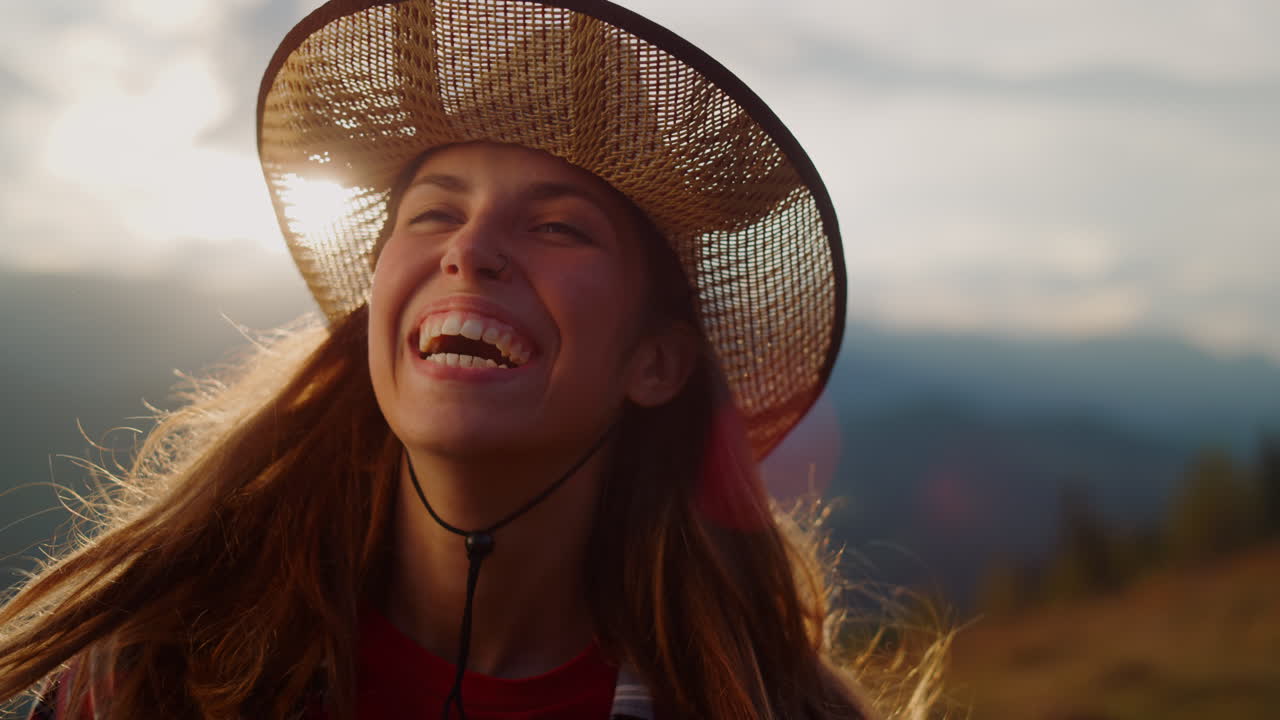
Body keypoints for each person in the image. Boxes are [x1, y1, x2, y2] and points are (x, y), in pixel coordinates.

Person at [0, 1, 882, 718]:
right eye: (432, 212)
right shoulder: (158, 675)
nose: (471, 250)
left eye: (557, 226)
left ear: (652, 364)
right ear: (381, 292)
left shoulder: (765, 707)